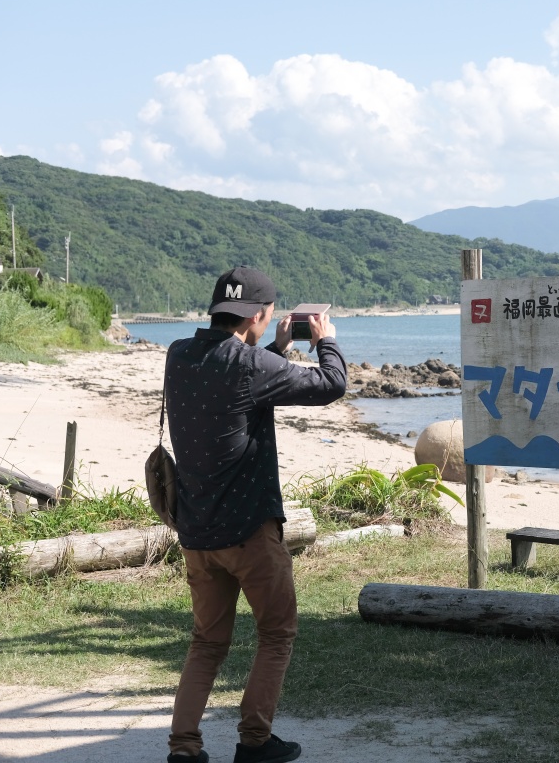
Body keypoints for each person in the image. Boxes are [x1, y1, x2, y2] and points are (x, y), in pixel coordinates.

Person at [165, 266, 347, 763]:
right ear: (262, 315)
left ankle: (183, 749)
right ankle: (255, 740)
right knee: (277, 632)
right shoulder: (249, 365)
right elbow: (332, 384)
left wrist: (277, 349)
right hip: (249, 533)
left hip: (197, 533)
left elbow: (233, 383)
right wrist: (324, 341)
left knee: (206, 644)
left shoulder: (178, 354)